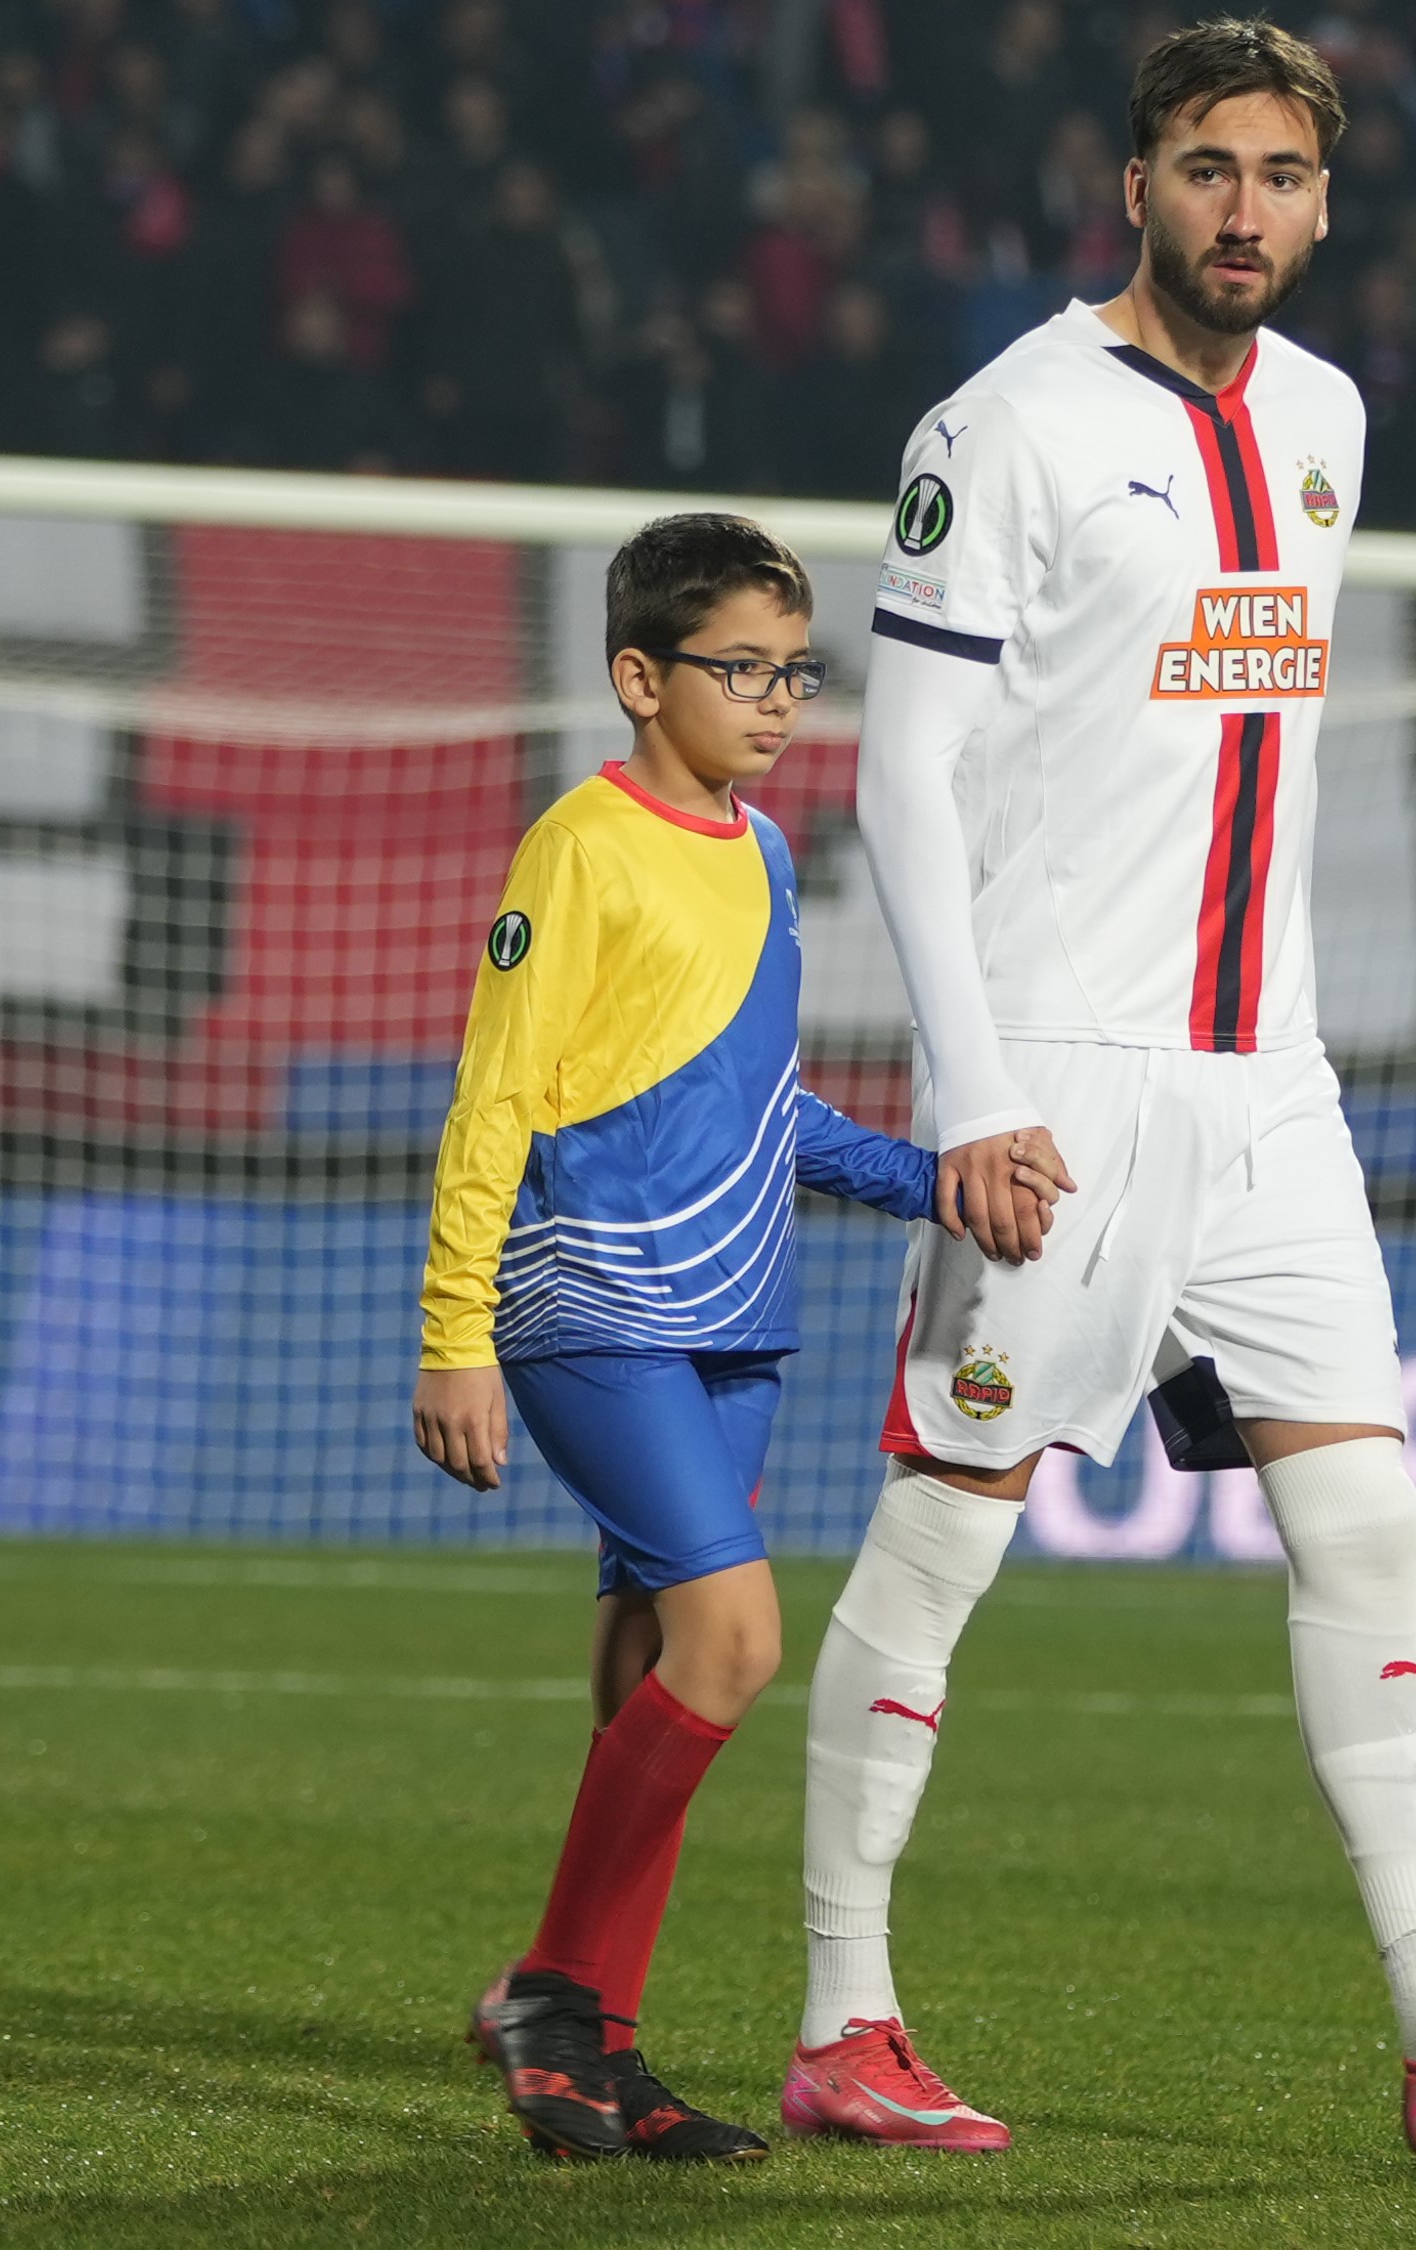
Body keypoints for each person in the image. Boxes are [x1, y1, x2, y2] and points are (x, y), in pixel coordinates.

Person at [795, 16, 1416, 2172]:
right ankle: (840, 2018)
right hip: (1060, 1079)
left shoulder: (1326, 419)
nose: (1242, 209)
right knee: (945, 1533)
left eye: (1281, 174)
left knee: (1368, 1525)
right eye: (1207, 168)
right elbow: (902, 772)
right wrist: (972, 1092)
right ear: (1136, 185)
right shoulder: (1005, 426)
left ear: (1323, 199)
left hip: (1268, 1083)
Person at [412, 514, 1032, 2163]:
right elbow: (495, 1096)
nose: (774, 700)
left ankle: (595, 2039)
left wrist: (929, 1179)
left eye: (793, 671)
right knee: (737, 1641)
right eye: (738, 668)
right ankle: (561, 2010)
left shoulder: (757, 852)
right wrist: (453, 1331)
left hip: (736, 1326)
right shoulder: (580, 847)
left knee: (650, 1668)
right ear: (639, 676)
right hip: (593, 1305)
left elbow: (763, 1107)